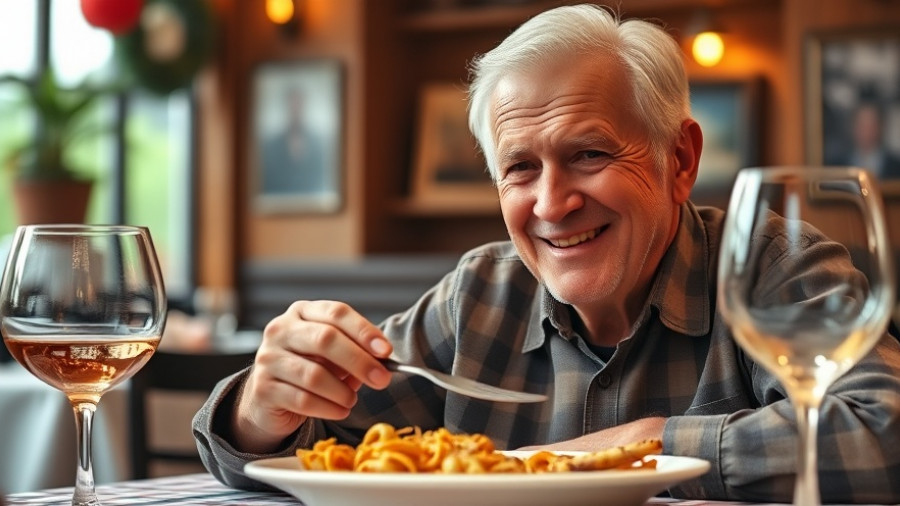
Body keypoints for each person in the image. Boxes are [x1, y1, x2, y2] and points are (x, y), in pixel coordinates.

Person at [193, 4, 900, 502]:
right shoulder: (478, 297)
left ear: (678, 160)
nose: (552, 203)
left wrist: (645, 447)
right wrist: (261, 410)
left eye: (589, 155)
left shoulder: (771, 267)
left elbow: (884, 427)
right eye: (521, 169)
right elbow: (308, 445)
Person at [259, 87, 327, 194]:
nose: (296, 111)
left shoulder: (318, 144)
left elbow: (321, 181)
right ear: (287, 108)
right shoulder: (270, 146)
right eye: (292, 106)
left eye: (299, 106)